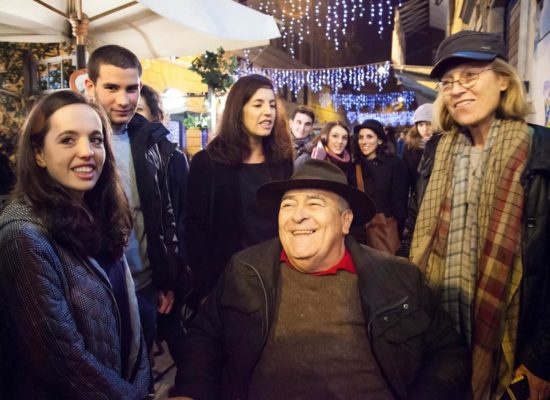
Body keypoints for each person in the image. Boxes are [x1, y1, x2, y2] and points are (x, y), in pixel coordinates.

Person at [170, 159, 471, 400]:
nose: (298, 216)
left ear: (345, 221)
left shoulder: (397, 278)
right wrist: (190, 392)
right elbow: (205, 339)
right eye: (288, 205)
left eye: (314, 204)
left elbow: (448, 353)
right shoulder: (247, 271)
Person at [409, 30, 550, 400]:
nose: (457, 89)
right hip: (439, 338)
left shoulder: (541, 150)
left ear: (504, 79)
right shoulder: (436, 152)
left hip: (516, 339)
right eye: (448, 82)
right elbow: (414, 231)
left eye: (470, 75)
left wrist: (542, 360)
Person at [0, 91, 150, 399]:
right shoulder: (23, 235)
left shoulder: (99, 214)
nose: (87, 151)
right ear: (38, 153)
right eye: (68, 140)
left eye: (96, 139)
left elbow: (131, 325)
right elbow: (62, 361)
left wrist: (142, 383)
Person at [85, 45, 181, 355]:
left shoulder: (150, 141)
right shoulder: (77, 140)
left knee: (143, 372)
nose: (123, 100)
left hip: (143, 286)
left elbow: (161, 217)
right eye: (111, 88)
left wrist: (166, 280)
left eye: (132, 88)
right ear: (90, 86)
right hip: (91, 291)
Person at [184, 74, 294, 299]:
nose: (268, 112)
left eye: (272, 105)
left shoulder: (282, 161)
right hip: (228, 281)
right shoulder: (208, 163)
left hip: (276, 275)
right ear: (238, 110)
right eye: (258, 104)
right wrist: (206, 289)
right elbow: (195, 231)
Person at [138, 84, 191, 365]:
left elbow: (179, 219)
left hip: (161, 271)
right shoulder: (109, 152)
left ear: (154, 116)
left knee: (170, 331)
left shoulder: (172, 158)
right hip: (126, 273)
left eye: (139, 110)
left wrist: (169, 278)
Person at [348, 119, 408, 254]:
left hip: (384, 231)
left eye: (369, 137)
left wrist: (397, 231)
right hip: (358, 234)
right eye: (361, 137)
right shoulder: (354, 167)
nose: (364, 141)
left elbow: (400, 201)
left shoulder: (394, 164)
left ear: (379, 140)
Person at [402, 103, 433, 192]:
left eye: (429, 124)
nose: (425, 128)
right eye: (421, 124)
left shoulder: (443, 145)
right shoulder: (409, 147)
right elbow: (407, 176)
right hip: (417, 194)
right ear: (416, 127)